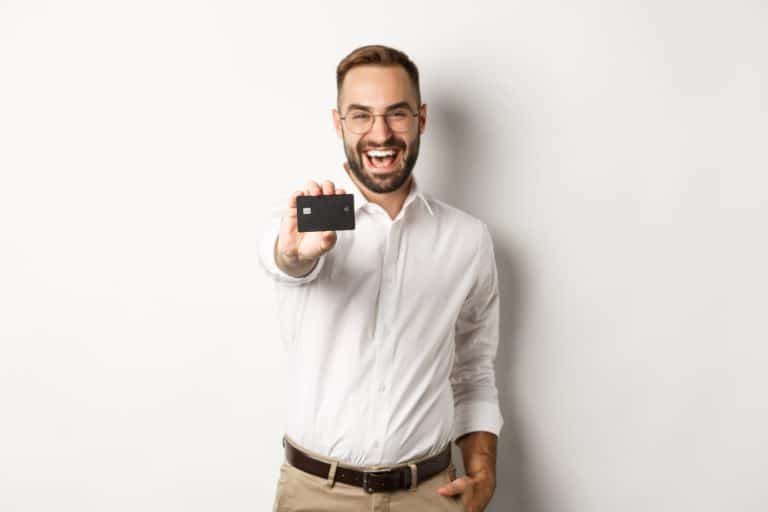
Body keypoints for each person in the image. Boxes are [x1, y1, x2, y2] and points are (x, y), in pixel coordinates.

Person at [258, 44, 504, 512]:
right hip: (316, 496)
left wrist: (483, 471)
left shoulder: (468, 240)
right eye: (361, 116)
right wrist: (294, 255)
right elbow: (285, 261)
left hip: (429, 495)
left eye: (397, 113)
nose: (381, 133)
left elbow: (474, 368)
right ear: (339, 124)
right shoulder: (300, 227)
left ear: (421, 119)